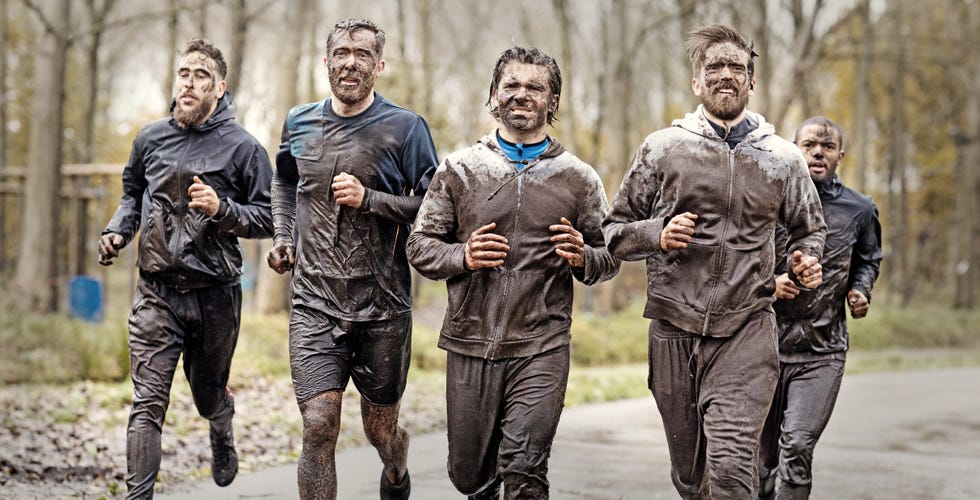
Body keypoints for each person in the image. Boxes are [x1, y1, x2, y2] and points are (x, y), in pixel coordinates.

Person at [602, 24, 828, 499]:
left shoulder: (783, 159)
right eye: (715, 67)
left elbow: (810, 228)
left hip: (747, 324)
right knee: (690, 476)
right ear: (697, 82)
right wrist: (656, 234)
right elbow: (613, 231)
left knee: (731, 470)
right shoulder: (663, 148)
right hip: (673, 326)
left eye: (737, 68)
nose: (726, 75)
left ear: (751, 81)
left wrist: (805, 259)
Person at [407, 46, 620, 499]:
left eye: (535, 87)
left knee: (524, 471)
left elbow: (610, 256)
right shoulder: (460, 169)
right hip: (470, 341)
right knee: (469, 477)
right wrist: (462, 256)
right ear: (494, 95)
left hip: (542, 343)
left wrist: (584, 257)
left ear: (553, 101)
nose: (522, 94)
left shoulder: (578, 178)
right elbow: (419, 247)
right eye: (512, 85)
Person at [265, 18, 438, 500]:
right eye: (341, 52)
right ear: (325, 62)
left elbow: (434, 206)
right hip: (314, 303)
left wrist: (370, 200)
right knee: (319, 424)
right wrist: (283, 236)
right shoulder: (299, 121)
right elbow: (283, 180)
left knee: (379, 431)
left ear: (379, 66)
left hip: (382, 307)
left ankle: (397, 469)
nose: (350, 62)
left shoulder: (406, 128)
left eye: (362, 54)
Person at [98, 38, 273, 497]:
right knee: (147, 402)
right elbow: (132, 193)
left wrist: (221, 209)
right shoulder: (150, 137)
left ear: (220, 87)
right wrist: (118, 231)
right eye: (184, 74)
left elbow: (271, 216)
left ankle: (221, 424)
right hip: (156, 292)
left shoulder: (244, 148)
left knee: (206, 395)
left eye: (201, 76)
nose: (190, 83)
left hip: (215, 295)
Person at [757, 116, 882, 500]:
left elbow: (868, 258)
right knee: (759, 462)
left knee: (796, 446)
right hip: (764, 346)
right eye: (809, 144)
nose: (817, 152)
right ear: (793, 150)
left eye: (826, 147)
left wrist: (860, 290)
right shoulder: (767, 198)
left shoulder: (859, 209)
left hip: (822, 351)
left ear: (839, 156)